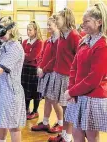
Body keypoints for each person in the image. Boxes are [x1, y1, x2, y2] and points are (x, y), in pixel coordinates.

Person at [65, 2, 107, 142]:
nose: (83, 25)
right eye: (82, 22)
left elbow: (93, 79)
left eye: (87, 21)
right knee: (77, 133)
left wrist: (72, 91)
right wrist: (71, 88)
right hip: (78, 95)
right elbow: (74, 67)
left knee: (91, 136)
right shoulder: (84, 40)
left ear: (99, 22)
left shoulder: (102, 45)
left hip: (92, 97)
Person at [45, 8, 81, 142]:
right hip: (59, 75)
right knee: (63, 107)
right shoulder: (61, 35)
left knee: (68, 109)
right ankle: (64, 134)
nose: (55, 21)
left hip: (68, 77)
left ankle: (68, 136)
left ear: (66, 19)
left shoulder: (74, 36)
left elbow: (79, 59)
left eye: (58, 19)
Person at [31, 14, 60, 131]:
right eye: (47, 24)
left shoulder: (59, 41)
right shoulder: (49, 40)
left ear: (57, 25)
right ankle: (45, 122)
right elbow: (43, 55)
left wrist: (44, 69)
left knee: (54, 100)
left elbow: (55, 58)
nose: (47, 27)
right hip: (45, 72)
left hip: (53, 73)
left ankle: (60, 122)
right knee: (47, 98)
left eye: (50, 25)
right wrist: (39, 67)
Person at [21, 21, 43, 120]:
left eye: (30, 30)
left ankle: (35, 111)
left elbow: (32, 57)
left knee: (35, 91)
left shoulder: (39, 42)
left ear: (35, 30)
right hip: (24, 68)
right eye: (27, 30)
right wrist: (26, 54)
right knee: (25, 90)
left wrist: (25, 54)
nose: (28, 32)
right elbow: (22, 55)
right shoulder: (25, 42)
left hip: (34, 69)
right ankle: (26, 109)